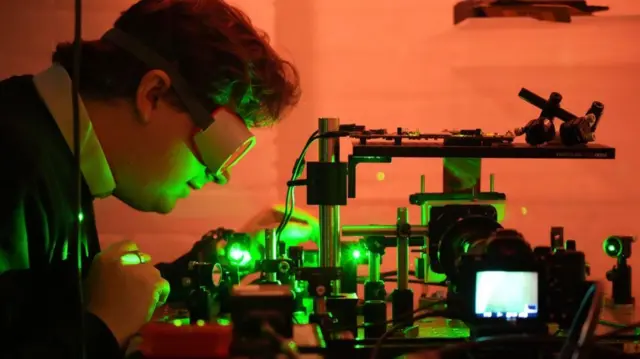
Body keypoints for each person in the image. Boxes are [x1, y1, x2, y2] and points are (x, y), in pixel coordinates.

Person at [0, 0, 303, 358]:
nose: (219, 176)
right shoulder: (11, 159)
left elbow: (38, 321)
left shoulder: (49, 150)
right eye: (216, 146)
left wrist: (214, 260)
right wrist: (104, 326)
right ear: (152, 94)